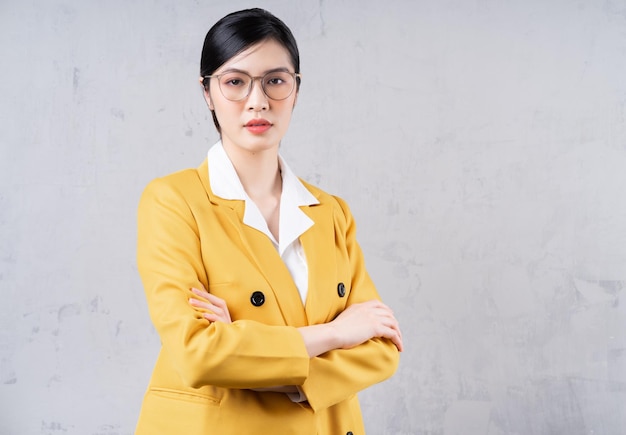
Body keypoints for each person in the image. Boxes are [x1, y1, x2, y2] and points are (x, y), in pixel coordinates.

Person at [135, 8, 403, 435]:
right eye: (235, 82)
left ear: (296, 90)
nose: (257, 100)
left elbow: (382, 347)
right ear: (207, 92)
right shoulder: (174, 202)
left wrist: (250, 353)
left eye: (275, 81)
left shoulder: (330, 212)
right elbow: (198, 353)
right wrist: (335, 334)